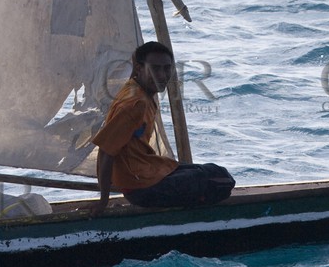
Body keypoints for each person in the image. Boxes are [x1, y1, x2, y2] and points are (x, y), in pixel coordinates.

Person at [91, 41, 234, 212]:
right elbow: (106, 152)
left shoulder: (138, 88)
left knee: (217, 172)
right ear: (138, 69)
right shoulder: (134, 104)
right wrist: (103, 201)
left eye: (167, 68)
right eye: (155, 69)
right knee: (221, 183)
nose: (162, 75)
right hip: (141, 188)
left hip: (149, 170)